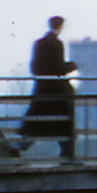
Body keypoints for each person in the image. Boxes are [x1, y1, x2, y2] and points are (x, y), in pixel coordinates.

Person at [20, 15, 76, 158]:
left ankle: (19, 148)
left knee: (39, 123)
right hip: (57, 92)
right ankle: (68, 156)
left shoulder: (39, 44)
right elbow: (59, 67)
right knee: (63, 124)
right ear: (61, 26)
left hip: (42, 91)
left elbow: (35, 67)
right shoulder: (57, 44)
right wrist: (72, 66)